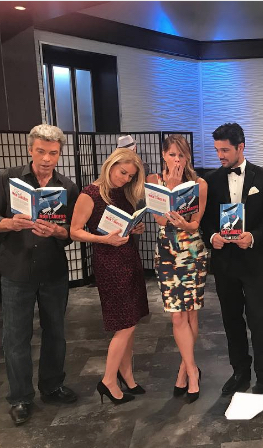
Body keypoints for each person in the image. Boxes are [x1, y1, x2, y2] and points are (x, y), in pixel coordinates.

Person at [0, 124, 79, 426]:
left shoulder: (67, 186)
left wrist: (58, 231)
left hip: (53, 270)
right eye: (41, 151)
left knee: (56, 332)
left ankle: (52, 386)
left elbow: (72, 232)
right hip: (16, 269)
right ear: (30, 150)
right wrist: (10, 223)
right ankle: (20, 397)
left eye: (53, 153)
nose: (47, 159)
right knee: (15, 337)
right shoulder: (7, 179)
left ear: (59, 153)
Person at [201, 123, 263, 397]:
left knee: (259, 319)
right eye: (217, 150)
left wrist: (254, 236)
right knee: (231, 319)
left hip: (254, 261)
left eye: (225, 150)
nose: (220, 155)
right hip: (224, 263)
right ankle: (239, 371)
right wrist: (212, 236)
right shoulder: (210, 180)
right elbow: (204, 219)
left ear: (241, 147)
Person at [70, 148, 149, 405]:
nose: (125, 179)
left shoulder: (123, 192)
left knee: (131, 320)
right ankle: (108, 380)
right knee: (125, 324)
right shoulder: (90, 193)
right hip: (109, 263)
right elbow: (74, 231)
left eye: (130, 176)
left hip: (129, 257)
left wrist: (134, 228)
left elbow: (121, 226)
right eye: (122, 172)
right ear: (110, 165)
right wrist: (103, 239)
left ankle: (127, 375)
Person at [146, 135, 208, 403]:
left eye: (182, 155)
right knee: (176, 315)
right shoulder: (153, 181)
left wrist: (185, 223)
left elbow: (195, 223)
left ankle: (186, 370)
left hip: (192, 251)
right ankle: (192, 369)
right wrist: (170, 185)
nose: (177, 160)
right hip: (167, 252)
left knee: (191, 313)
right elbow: (160, 220)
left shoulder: (199, 184)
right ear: (164, 155)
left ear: (188, 157)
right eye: (172, 154)